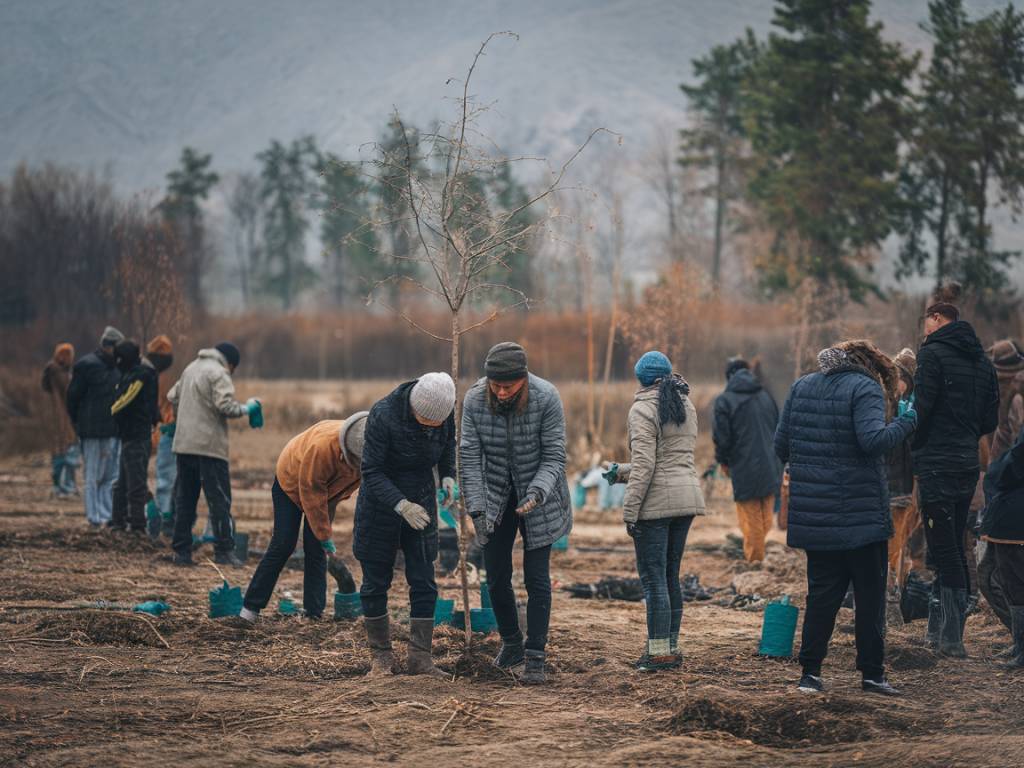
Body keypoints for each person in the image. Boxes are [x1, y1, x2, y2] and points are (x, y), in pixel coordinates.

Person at [776, 342, 917, 696]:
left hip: (816, 518)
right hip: (861, 517)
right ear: (871, 366)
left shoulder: (801, 386)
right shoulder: (865, 387)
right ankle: (872, 675)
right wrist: (905, 422)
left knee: (821, 597)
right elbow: (872, 441)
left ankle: (810, 674)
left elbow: (781, 447)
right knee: (869, 599)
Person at [462, 342, 572, 685]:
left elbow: (554, 456)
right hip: (496, 495)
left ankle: (535, 655)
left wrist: (537, 492)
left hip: (541, 494)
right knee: (495, 574)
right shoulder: (474, 400)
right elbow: (469, 457)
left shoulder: (546, 397)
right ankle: (511, 643)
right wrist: (477, 508)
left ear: (523, 380)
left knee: (536, 578)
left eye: (509, 385)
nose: (502, 391)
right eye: (496, 385)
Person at [354, 373, 457, 678]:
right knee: (375, 582)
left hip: (422, 502)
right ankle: (381, 658)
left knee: (424, 581)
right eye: (424, 419)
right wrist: (400, 505)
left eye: (435, 422)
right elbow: (370, 470)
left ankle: (420, 659)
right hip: (380, 505)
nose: (430, 425)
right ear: (414, 405)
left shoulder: (445, 414)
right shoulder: (383, 415)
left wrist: (448, 474)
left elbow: (448, 444)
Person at [913, 298, 999, 657]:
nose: (924, 329)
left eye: (926, 322)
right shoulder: (982, 361)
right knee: (950, 545)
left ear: (936, 318)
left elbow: (922, 408)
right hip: (966, 464)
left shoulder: (931, 355)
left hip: (937, 462)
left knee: (944, 549)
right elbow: (989, 421)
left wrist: (915, 442)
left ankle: (951, 639)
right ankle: (940, 633)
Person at [613, 351, 705, 671]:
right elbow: (668, 459)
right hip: (687, 500)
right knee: (670, 577)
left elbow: (646, 464)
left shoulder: (642, 408)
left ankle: (658, 654)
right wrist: (622, 472)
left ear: (641, 378)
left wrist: (630, 509)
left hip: (656, 506)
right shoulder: (685, 403)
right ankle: (671, 647)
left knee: (654, 581)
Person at [238, 414, 367, 624]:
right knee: (283, 543)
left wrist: (322, 537)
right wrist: (325, 536)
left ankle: (313, 614)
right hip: (291, 478)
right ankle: (250, 609)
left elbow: (334, 496)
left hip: (326, 491)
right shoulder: (322, 449)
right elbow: (311, 494)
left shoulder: (369, 448)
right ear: (346, 452)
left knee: (315, 548)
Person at [168, 342, 260, 567]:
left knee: (185, 499)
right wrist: (248, 408)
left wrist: (181, 422)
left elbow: (173, 396)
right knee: (219, 500)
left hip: (184, 445)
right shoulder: (218, 372)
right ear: (230, 363)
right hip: (209, 448)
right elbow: (225, 406)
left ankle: (181, 552)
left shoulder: (190, 368)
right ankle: (224, 552)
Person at [712, 357, 782, 563]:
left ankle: (754, 563)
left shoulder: (725, 400)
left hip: (743, 467)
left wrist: (722, 461)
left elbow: (722, 437)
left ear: (729, 377)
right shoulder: (766, 396)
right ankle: (757, 554)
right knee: (765, 519)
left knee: (751, 520)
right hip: (771, 464)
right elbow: (778, 428)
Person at [66, 326, 125, 527]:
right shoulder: (86, 366)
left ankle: (106, 514)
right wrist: (78, 423)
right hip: (91, 430)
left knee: (109, 476)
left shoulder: (118, 367)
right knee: (92, 475)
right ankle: (94, 516)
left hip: (112, 429)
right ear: (110, 346)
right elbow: (73, 398)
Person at [980, 423, 1024, 669]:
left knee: (1015, 580)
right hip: (1009, 511)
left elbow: (1016, 461)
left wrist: (997, 475)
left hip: (1016, 513)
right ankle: (1020, 643)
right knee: (1002, 578)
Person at [109, 340, 160, 533]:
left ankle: (137, 525)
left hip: (137, 436)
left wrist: (112, 409)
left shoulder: (140, 375)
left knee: (135, 483)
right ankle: (118, 522)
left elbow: (122, 402)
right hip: (130, 435)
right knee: (123, 482)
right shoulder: (135, 372)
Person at [887, 348, 920, 588]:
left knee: (902, 534)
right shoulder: (885, 402)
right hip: (891, 480)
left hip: (905, 479)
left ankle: (898, 582)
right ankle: (890, 581)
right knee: (892, 535)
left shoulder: (912, 405)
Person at [144, 335, 177, 538]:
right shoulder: (150, 375)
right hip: (156, 430)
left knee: (164, 477)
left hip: (162, 430)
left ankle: (160, 516)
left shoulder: (159, 376)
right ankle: (158, 516)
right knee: (164, 478)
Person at [41, 342, 78, 497]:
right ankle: (66, 486)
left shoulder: (51, 372)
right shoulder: (59, 373)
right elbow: (70, 392)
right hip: (63, 419)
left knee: (58, 453)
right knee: (68, 452)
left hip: (55, 419)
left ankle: (60, 486)